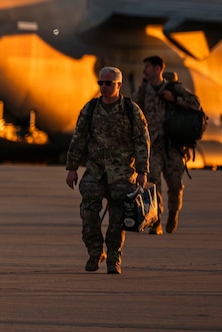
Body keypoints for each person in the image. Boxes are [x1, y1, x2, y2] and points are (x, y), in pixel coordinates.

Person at [65, 66, 150, 275]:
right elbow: (78, 138)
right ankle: (95, 253)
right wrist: (72, 168)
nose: (103, 87)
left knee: (117, 219)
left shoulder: (131, 110)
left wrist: (142, 171)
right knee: (88, 214)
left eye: (108, 83)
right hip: (95, 170)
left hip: (122, 172)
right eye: (100, 83)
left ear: (119, 85)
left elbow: (142, 141)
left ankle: (114, 257)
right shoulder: (90, 108)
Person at [132, 56, 203, 235]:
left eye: (147, 67)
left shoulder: (174, 88)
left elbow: (196, 104)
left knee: (175, 185)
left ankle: (173, 213)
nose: (144, 71)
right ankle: (155, 221)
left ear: (158, 69)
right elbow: (132, 110)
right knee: (153, 184)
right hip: (153, 145)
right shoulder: (143, 91)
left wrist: (174, 99)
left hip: (174, 146)